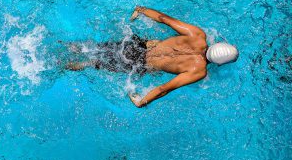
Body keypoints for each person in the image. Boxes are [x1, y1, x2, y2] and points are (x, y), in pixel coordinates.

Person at [66, 6, 238, 108]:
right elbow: (165, 88)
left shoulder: (197, 35)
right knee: (93, 63)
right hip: (139, 64)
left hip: (138, 45)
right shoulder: (198, 71)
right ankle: (64, 65)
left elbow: (164, 19)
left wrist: (141, 10)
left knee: (93, 48)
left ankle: (68, 46)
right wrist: (142, 101)